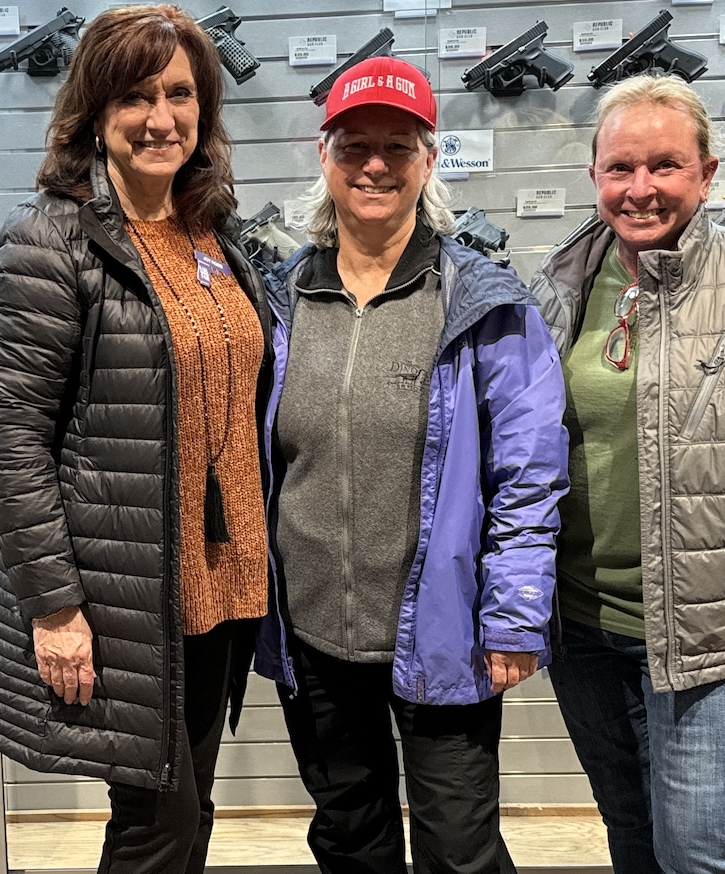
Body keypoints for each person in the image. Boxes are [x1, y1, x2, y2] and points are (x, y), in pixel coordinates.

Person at [0, 7, 272, 873]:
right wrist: (57, 608)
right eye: (136, 95)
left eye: (180, 94)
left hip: (216, 577)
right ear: (94, 112)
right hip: (122, 592)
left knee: (189, 815)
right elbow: (15, 438)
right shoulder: (51, 242)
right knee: (156, 826)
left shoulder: (211, 234)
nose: (161, 117)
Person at [254, 55, 569, 874]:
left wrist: (514, 614)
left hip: (445, 635)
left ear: (429, 161)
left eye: (398, 146)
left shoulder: (484, 304)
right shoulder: (281, 301)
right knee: (350, 836)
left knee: (459, 849)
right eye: (355, 145)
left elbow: (529, 476)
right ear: (324, 157)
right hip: (314, 633)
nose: (375, 166)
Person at [530, 73, 725, 874]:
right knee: (632, 836)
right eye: (619, 168)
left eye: (665, 166)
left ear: (706, 172)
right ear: (594, 175)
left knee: (701, 851)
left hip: (708, 637)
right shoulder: (561, 284)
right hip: (583, 629)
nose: (640, 190)